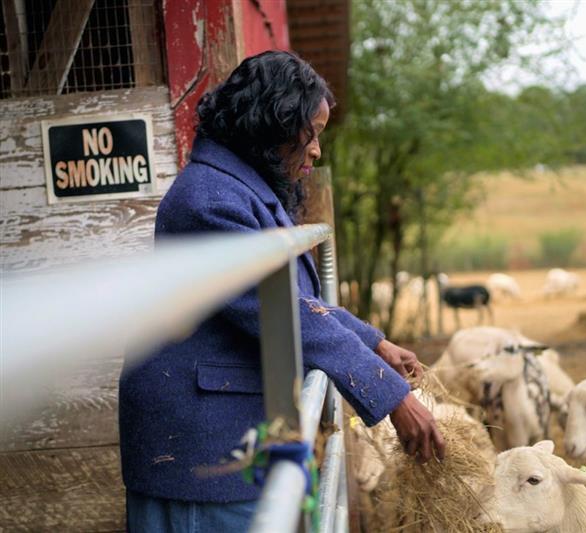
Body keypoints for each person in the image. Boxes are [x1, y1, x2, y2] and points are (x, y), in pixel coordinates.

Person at [118, 51, 445, 531]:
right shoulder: (209, 202)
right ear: (272, 123)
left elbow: (297, 302)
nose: (316, 150)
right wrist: (391, 396)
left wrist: (374, 343)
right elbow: (284, 314)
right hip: (201, 456)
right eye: (311, 132)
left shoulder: (238, 190)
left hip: (225, 441)